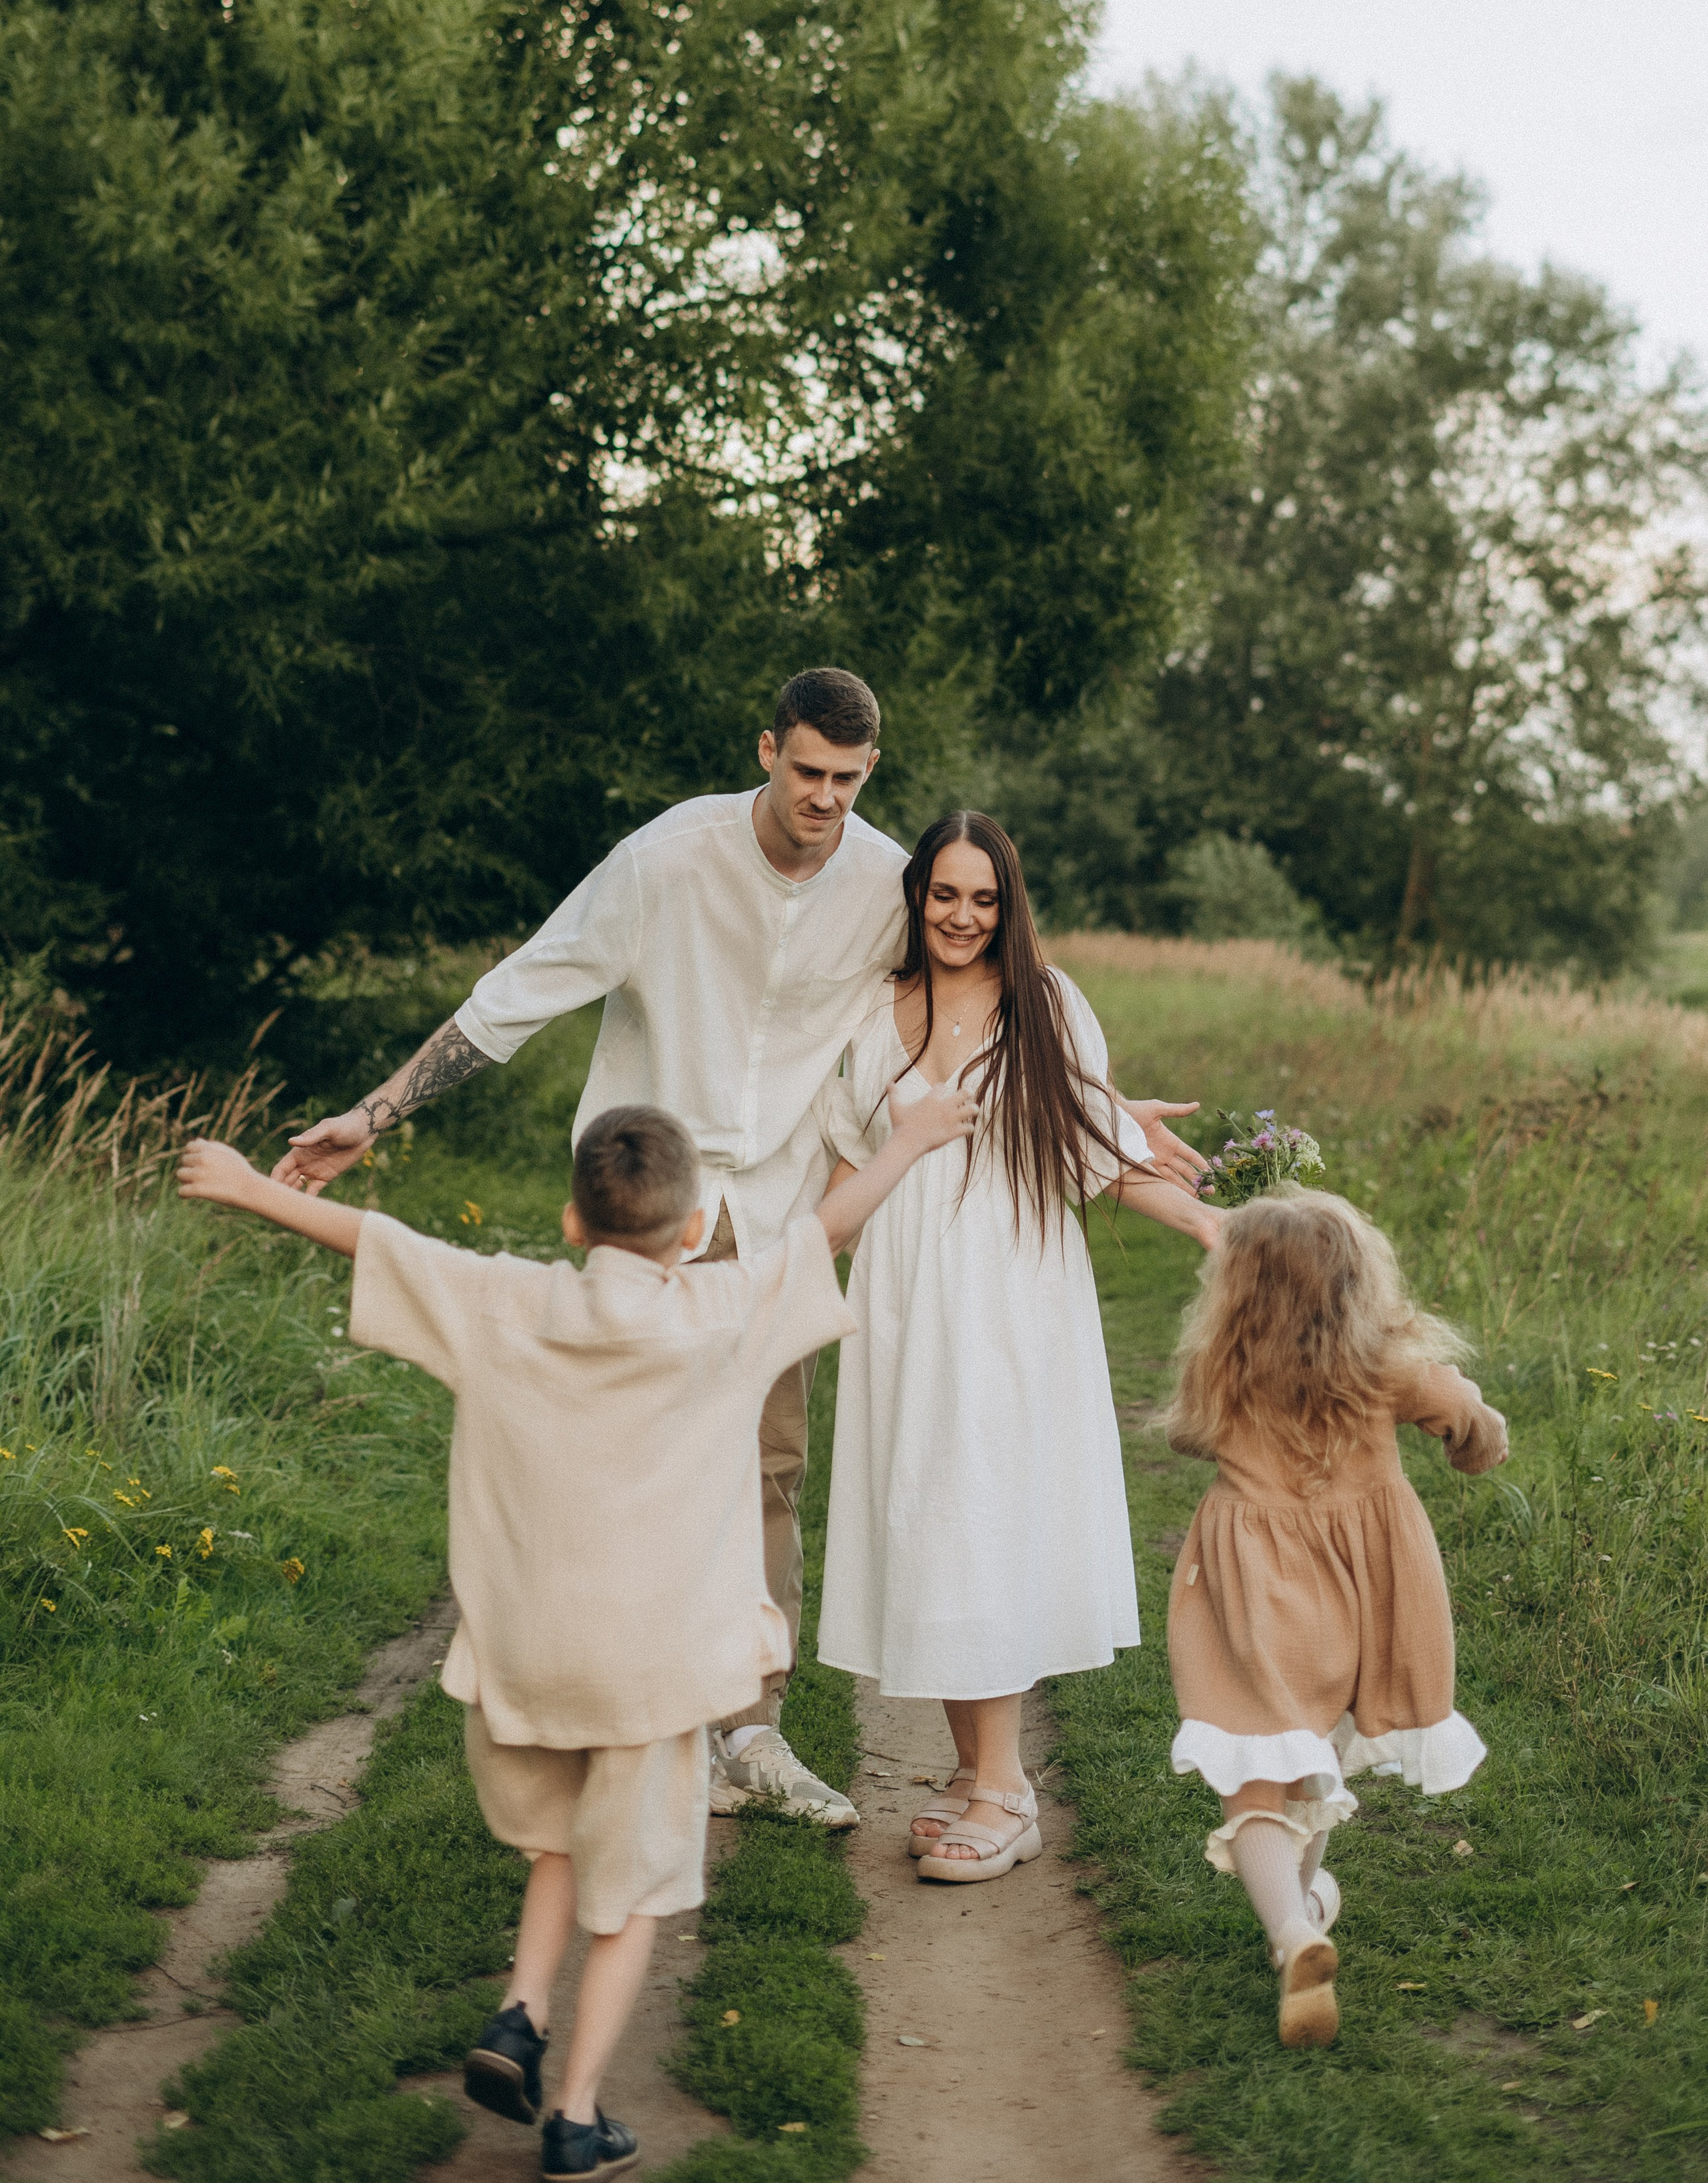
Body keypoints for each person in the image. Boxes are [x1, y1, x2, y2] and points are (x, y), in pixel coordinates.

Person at [273, 668, 1207, 1826]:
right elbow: (519, 994)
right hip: (653, 1212)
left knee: (769, 1473)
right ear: (768, 748)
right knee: (623, 1460)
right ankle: (607, 1704)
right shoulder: (664, 861)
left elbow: (972, 1014)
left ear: (871, 775)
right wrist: (371, 1115)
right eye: (806, 770)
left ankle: (748, 1735)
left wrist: (1104, 1112)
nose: (823, 797)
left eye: (848, 781)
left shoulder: (884, 885)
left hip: (783, 1217)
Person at [177, 1080, 976, 2180]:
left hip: (528, 1660)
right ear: (694, 1230)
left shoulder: (506, 1303)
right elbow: (824, 1230)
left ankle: (516, 2015)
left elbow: (377, 1240)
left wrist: (243, 1189)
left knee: (558, 1846)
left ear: (569, 1222)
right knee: (635, 1896)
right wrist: (917, 1137)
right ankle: (578, 2116)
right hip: (656, 1672)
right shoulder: (725, 1309)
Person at [814, 812, 1220, 1885]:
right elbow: (835, 1152)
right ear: (917, 898)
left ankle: (1006, 1789)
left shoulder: (1046, 1003)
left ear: (1009, 906)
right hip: (902, 1289)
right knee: (925, 1508)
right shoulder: (868, 1007)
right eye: (945, 895)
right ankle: (967, 1768)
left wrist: (1219, 1229)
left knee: (979, 1508)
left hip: (1007, 1286)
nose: (962, 916)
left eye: (983, 899)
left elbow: (1094, 1143)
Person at [1162, 1189, 1507, 2048]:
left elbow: (1189, 1437)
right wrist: (1474, 1438)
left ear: (1236, 1290)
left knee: (1260, 1760)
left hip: (1256, 1588)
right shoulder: (1389, 1370)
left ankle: (1295, 1932)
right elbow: (1471, 1427)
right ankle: (1306, 1910)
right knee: (1310, 1755)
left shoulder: (1226, 1367)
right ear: (1361, 1285)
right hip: (1364, 1590)